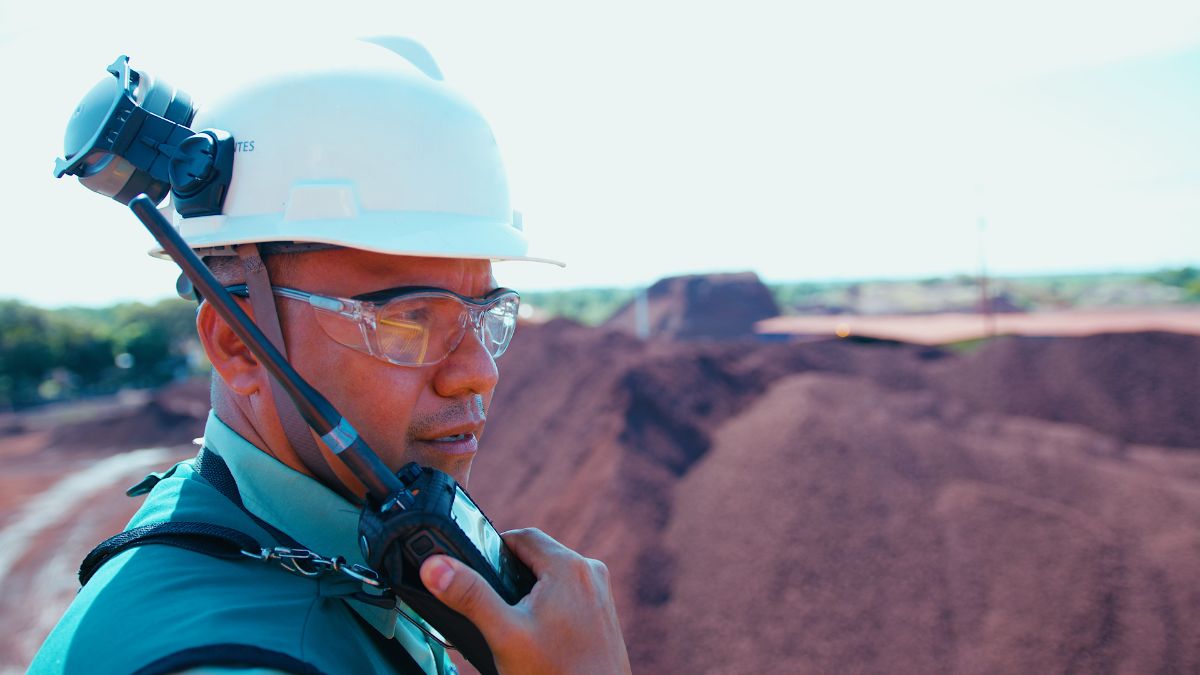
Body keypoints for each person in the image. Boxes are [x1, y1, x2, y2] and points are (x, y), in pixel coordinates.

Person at [31, 37, 631, 675]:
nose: (477, 373)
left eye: (487, 317)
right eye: (406, 320)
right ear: (238, 346)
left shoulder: (279, 530)